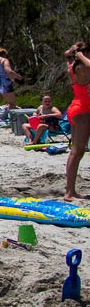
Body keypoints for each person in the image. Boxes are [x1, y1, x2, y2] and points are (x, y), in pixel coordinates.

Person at [65, 43, 90, 201]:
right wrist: (81, 56)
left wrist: (75, 53)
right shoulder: (82, 67)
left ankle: (70, 191)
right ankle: (69, 193)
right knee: (77, 152)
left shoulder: (72, 66)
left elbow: (66, 53)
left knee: (76, 152)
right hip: (83, 111)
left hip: (76, 107)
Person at [0, 48, 23, 128]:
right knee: (12, 103)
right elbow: (9, 71)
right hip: (3, 83)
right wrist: (18, 77)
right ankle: (13, 124)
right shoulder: (4, 60)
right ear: (4, 53)